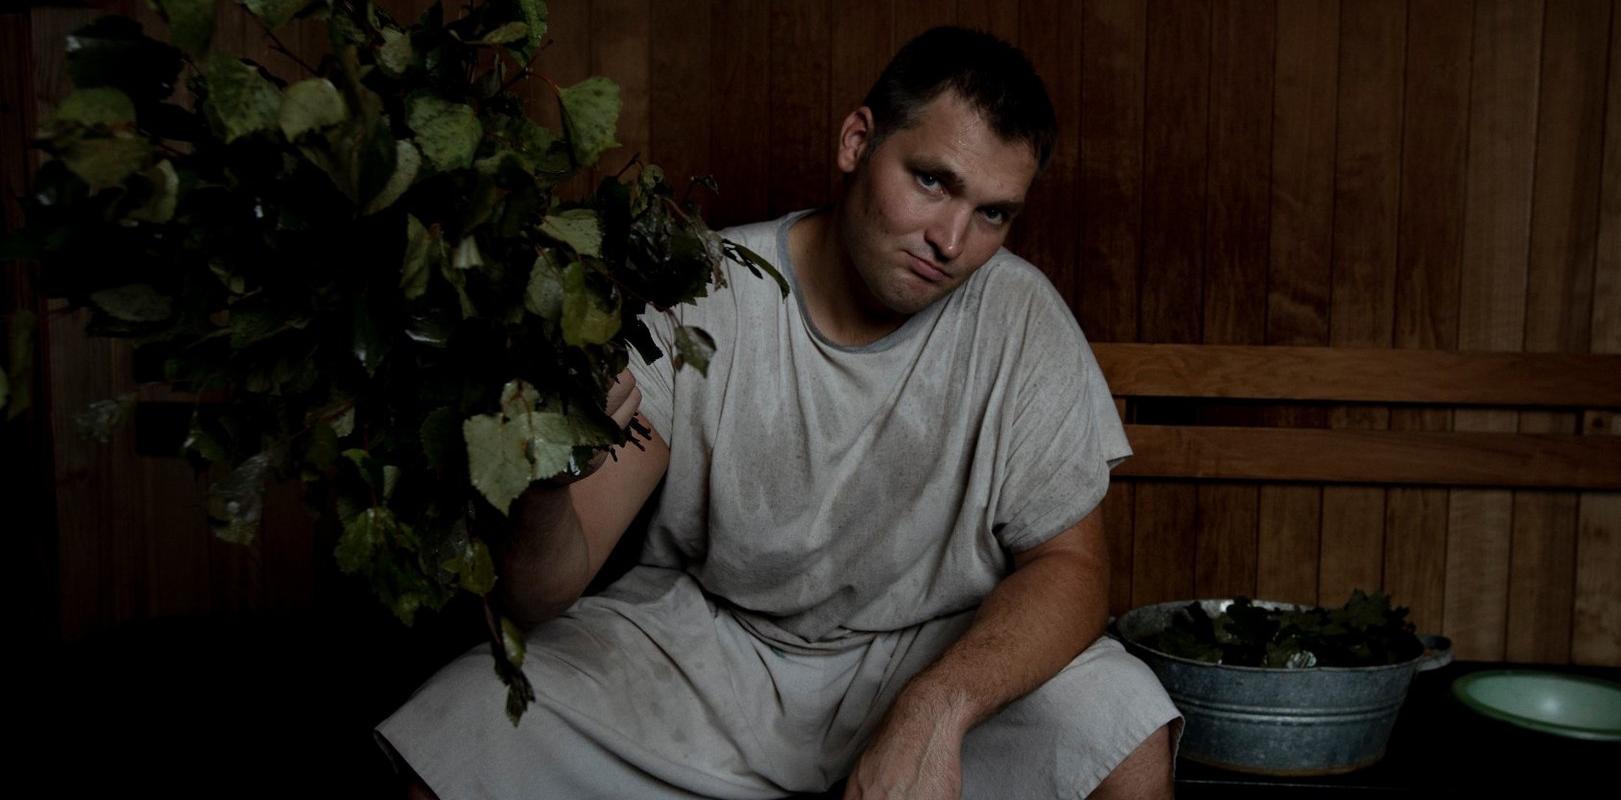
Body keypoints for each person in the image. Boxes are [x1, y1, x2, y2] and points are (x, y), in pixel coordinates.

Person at [377, 26, 1179, 799]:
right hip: (710, 654)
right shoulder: (710, 291)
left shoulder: (1020, 315)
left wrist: (938, 709)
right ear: (857, 142)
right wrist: (547, 479)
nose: (951, 239)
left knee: (1119, 722)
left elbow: (1072, 570)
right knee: (469, 727)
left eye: (994, 212)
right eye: (933, 180)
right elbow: (540, 595)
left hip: (931, 650)